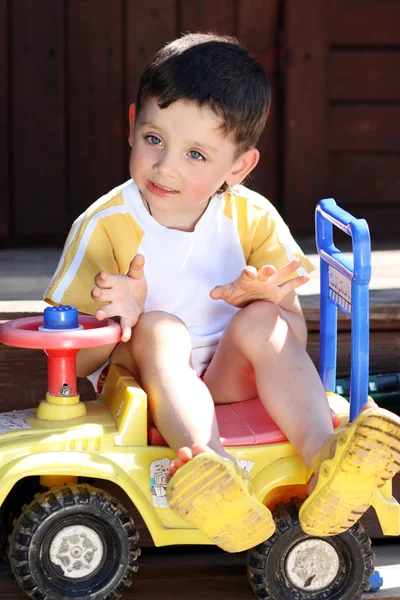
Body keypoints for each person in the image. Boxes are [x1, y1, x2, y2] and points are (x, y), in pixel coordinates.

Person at [45, 32, 400, 553]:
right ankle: (212, 470)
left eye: (195, 154)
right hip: (143, 390)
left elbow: (292, 338)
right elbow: (70, 365)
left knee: (265, 323)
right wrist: (113, 317)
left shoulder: (253, 219)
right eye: (153, 139)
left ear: (238, 167)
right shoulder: (104, 226)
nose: (166, 166)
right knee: (160, 327)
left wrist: (263, 301)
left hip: (229, 378)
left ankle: (325, 458)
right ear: (130, 126)